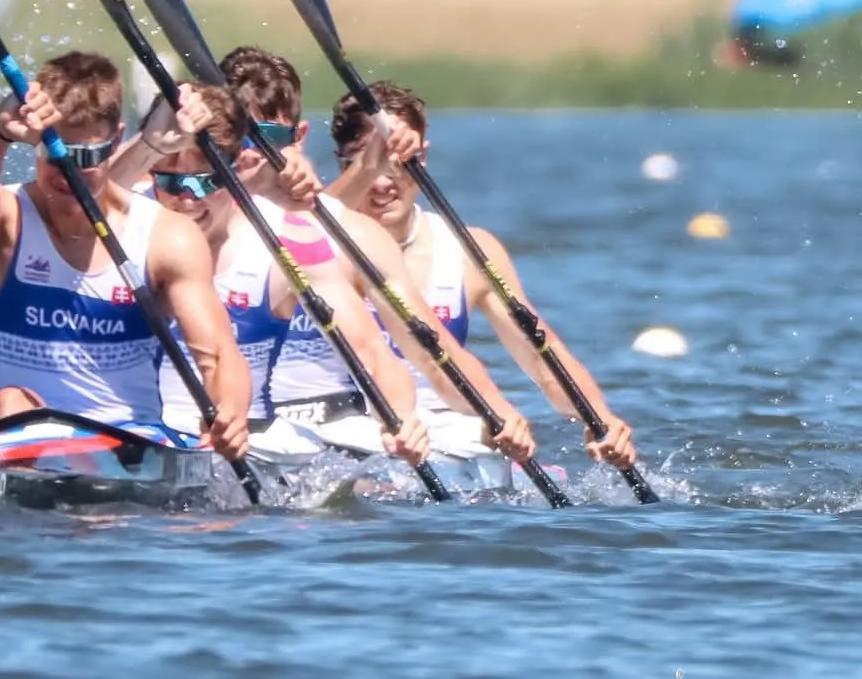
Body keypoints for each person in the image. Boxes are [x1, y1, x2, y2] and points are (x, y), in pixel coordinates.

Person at [210, 47, 538, 473]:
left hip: (312, 427)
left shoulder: (320, 233)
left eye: (269, 140)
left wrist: (494, 414)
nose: (253, 154)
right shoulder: (176, 207)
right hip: (224, 426)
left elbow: (388, 348)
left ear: (298, 137)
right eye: (243, 139)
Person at [0, 50, 250, 462]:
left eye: (84, 158)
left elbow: (219, 355)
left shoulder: (166, 237)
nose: (67, 173)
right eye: (56, 154)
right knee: (11, 400)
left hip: (133, 443)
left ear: (116, 141)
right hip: (22, 434)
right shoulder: (3, 223)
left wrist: (229, 412)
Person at [110, 82, 429, 468]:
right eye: (171, 181)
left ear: (237, 172)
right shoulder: (125, 220)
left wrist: (403, 419)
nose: (188, 198)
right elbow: (87, 195)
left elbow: (373, 352)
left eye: (205, 180)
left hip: (243, 441)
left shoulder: (286, 243)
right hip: (137, 434)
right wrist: (151, 142)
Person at [327, 78, 638, 469]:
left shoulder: (469, 251)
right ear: (343, 163)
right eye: (366, 162)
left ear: (422, 158)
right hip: (351, 432)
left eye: (399, 161)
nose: (384, 182)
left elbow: (541, 357)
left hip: (452, 434)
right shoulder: (316, 248)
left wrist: (598, 419)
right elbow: (301, 232)